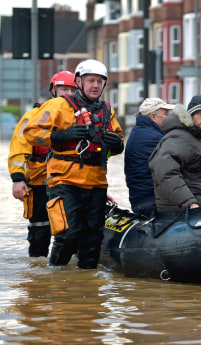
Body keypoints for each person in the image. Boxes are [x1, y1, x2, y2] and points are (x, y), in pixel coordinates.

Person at [23, 59, 124, 269]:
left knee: (92, 240)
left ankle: (85, 287)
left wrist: (117, 145)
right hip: (64, 179)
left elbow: (116, 140)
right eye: (91, 81)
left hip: (96, 182)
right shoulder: (59, 105)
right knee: (68, 233)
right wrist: (60, 135)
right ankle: (57, 276)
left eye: (99, 81)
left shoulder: (107, 111)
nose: (95, 85)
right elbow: (31, 134)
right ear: (79, 81)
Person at [8, 71, 77, 257]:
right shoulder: (34, 116)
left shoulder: (79, 118)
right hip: (39, 184)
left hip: (69, 182)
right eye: (64, 89)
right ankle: (38, 274)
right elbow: (18, 148)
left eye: (72, 90)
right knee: (40, 232)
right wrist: (17, 179)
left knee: (71, 232)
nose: (68, 94)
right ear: (54, 90)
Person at [149, 95, 201, 213]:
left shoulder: (192, 137)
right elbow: (165, 171)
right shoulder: (179, 137)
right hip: (180, 209)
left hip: (197, 201)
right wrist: (189, 202)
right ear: (190, 115)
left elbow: (191, 165)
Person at [124, 97, 174, 217]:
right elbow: (182, 154)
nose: (169, 117)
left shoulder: (139, 131)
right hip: (151, 201)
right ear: (153, 116)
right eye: (166, 114)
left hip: (141, 199)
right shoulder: (153, 138)